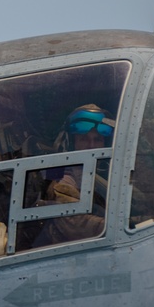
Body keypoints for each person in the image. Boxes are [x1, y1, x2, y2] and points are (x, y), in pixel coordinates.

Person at [31, 102, 115, 247]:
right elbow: (75, 223)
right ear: (71, 143)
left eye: (97, 140)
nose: (91, 146)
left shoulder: (108, 172)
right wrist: (123, 223)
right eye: (84, 139)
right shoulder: (59, 175)